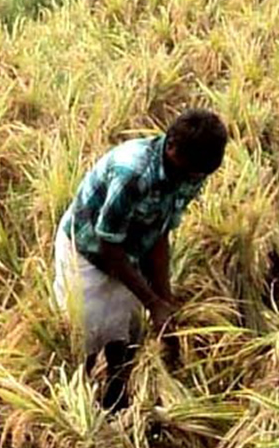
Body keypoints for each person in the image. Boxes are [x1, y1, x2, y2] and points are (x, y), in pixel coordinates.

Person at [54, 108, 227, 409]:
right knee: (86, 330)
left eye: (199, 174)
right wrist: (153, 302)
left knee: (126, 328)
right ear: (171, 146)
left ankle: (117, 394)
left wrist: (164, 301)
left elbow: (160, 233)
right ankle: (77, 398)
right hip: (88, 248)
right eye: (191, 171)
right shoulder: (132, 173)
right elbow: (108, 247)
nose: (194, 180)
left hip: (131, 247)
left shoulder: (193, 168)